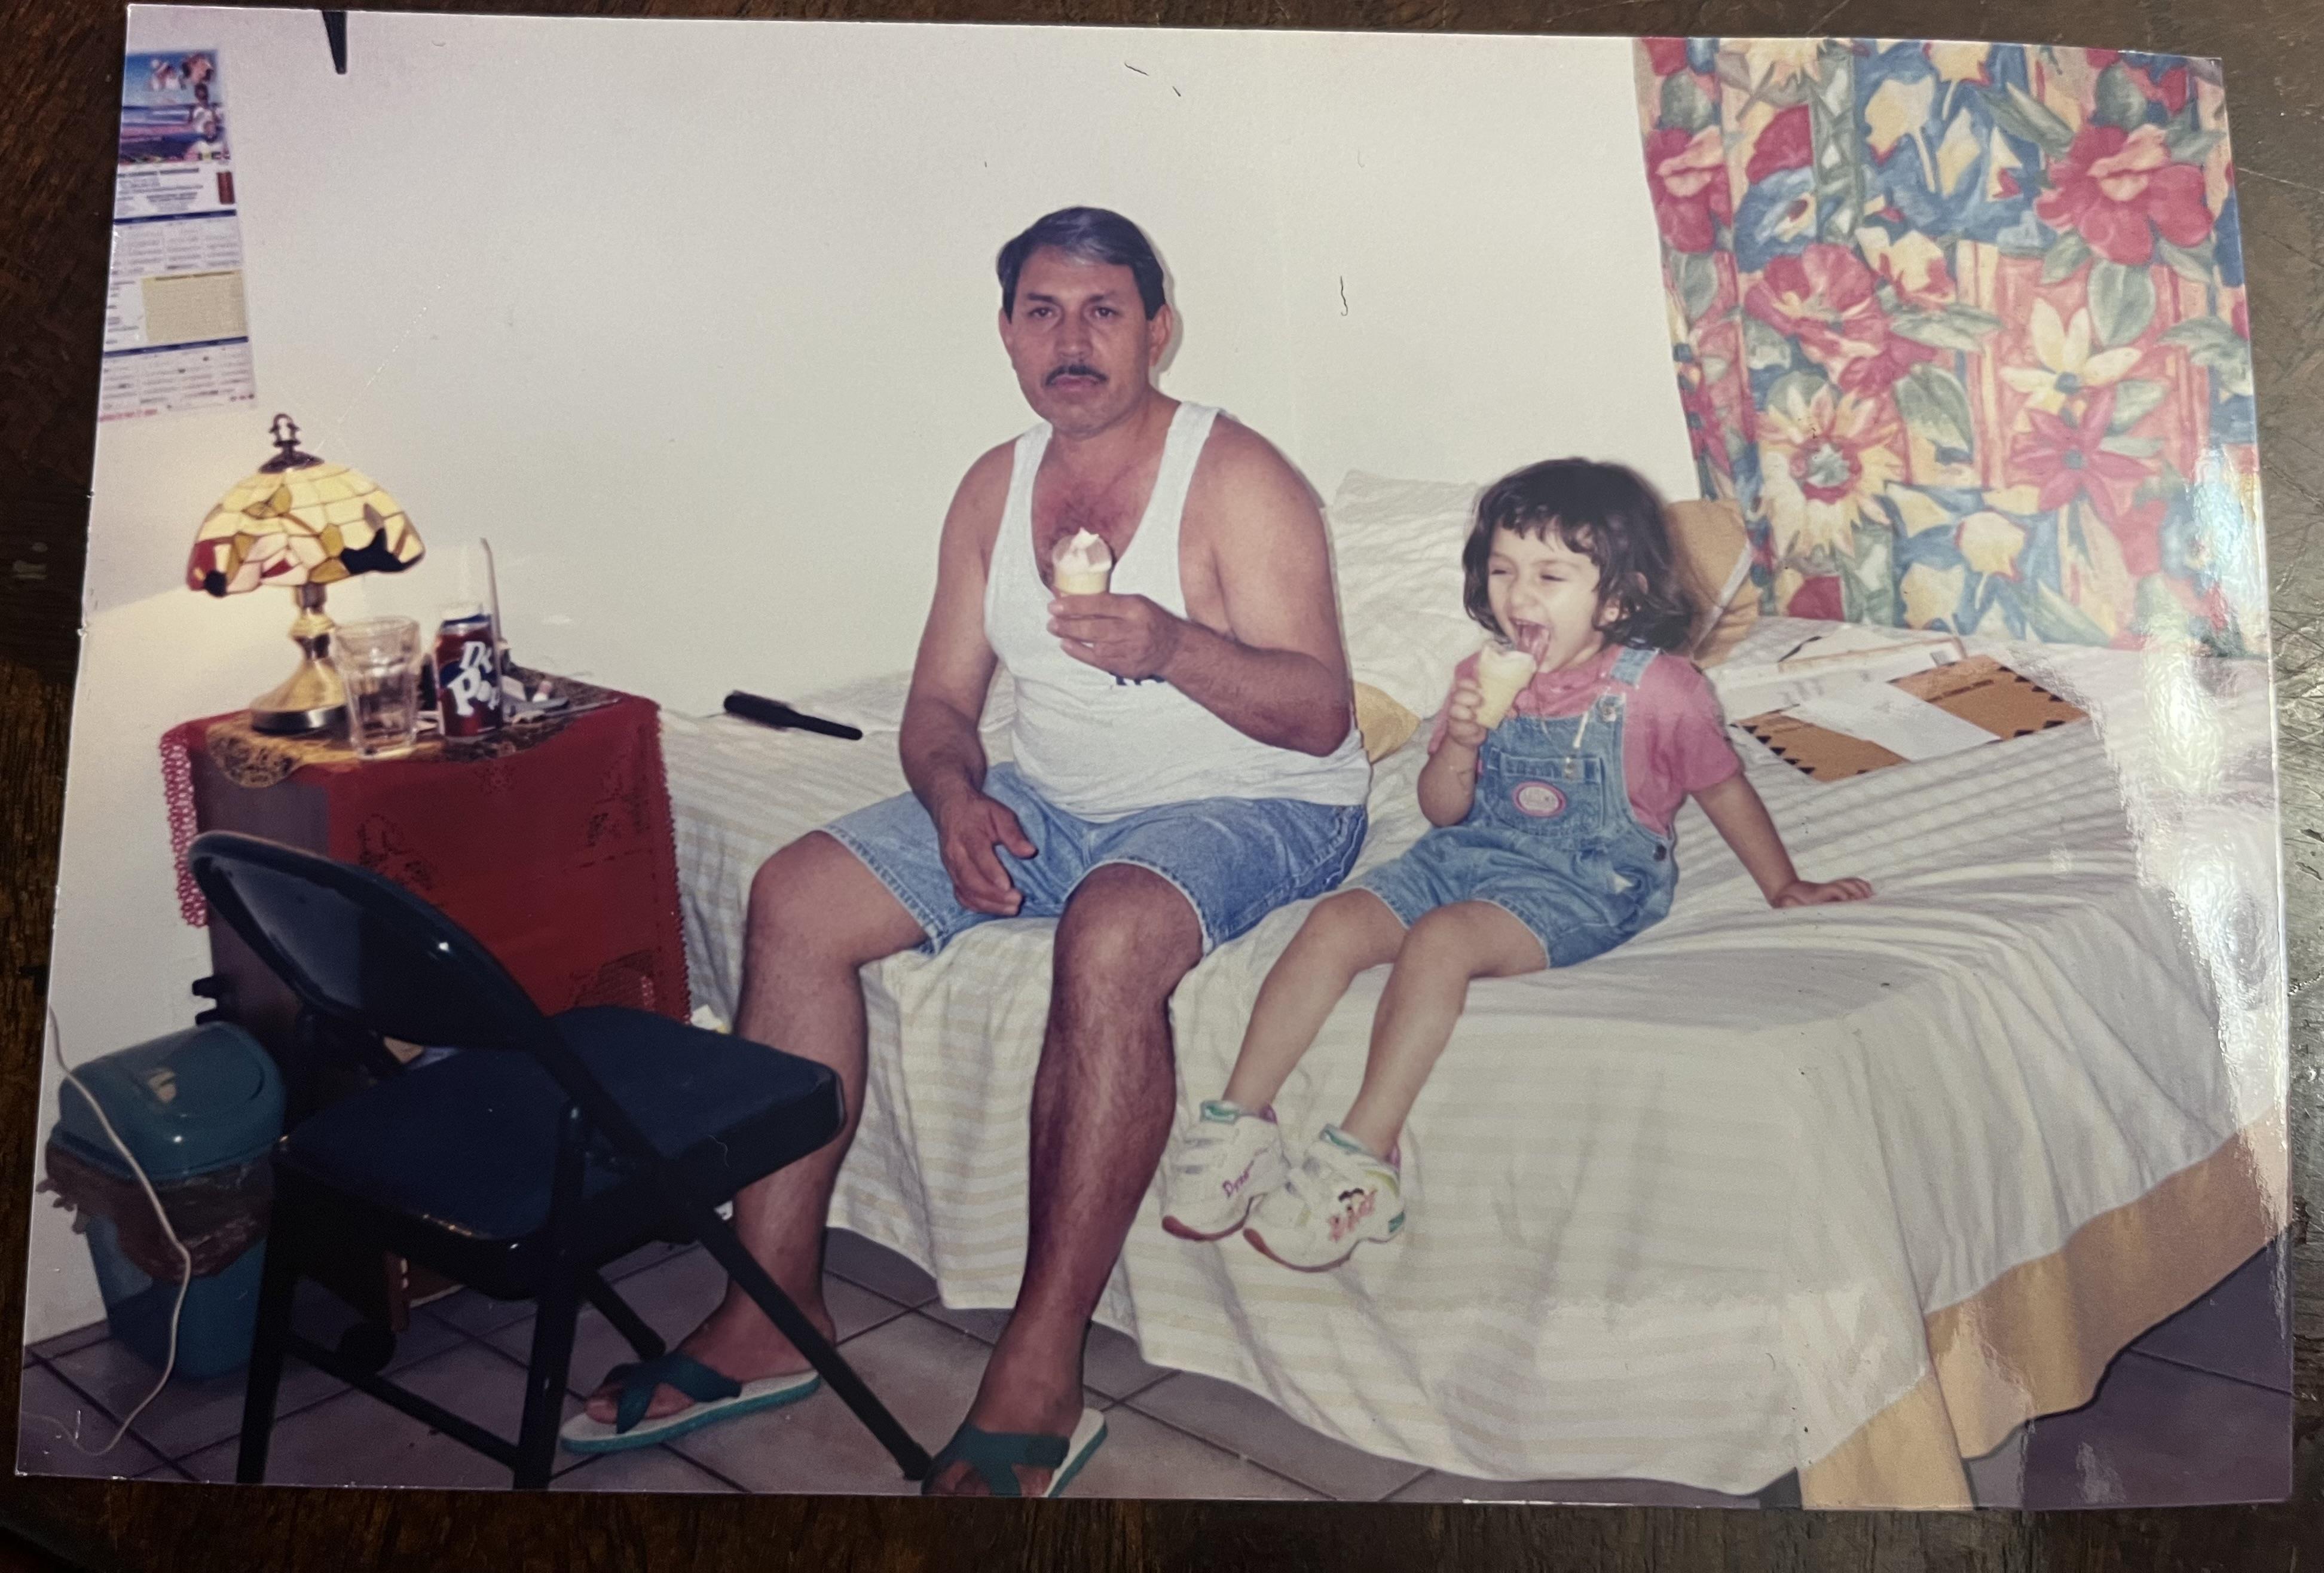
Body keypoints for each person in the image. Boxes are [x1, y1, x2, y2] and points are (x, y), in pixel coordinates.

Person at [564, 207, 1371, 1494]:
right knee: (796, 897)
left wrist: (1171, 645)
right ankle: (770, 1309)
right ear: (1006, 333)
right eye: (1042, 311)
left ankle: (1041, 1367)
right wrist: (951, 796)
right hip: (1061, 789)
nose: (1072, 339)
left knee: (1111, 931)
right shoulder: (995, 486)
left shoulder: (1238, 475)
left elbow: (1321, 712)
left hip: (1257, 795)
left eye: (1104, 311)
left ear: (1159, 328)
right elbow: (940, 704)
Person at [1160, 459, 1872, 1271]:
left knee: (1441, 943)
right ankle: (1239, 1125)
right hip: (1469, 850)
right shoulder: (1480, 674)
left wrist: (1784, 884)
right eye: (1503, 571)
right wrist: (1461, 742)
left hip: (1589, 880)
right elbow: (1442, 810)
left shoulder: (1661, 691)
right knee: (1334, 922)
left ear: (1618, 596)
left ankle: (1364, 1160)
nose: (1519, 596)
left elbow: (1724, 789)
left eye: (1549, 575)